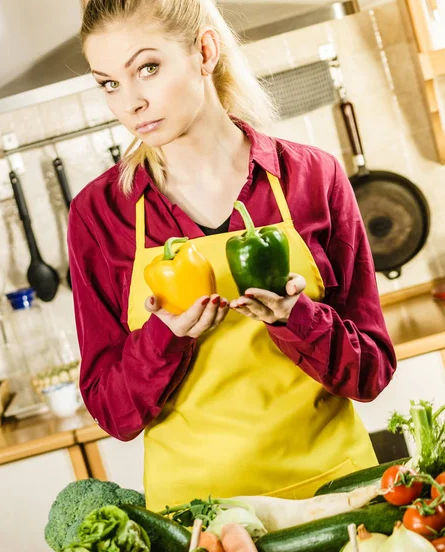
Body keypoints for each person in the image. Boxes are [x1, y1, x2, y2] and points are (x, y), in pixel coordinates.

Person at [69, 0, 397, 512]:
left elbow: (371, 372)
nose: (129, 102)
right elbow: (114, 414)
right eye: (109, 83)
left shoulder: (313, 177)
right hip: (199, 526)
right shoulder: (100, 213)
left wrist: (297, 319)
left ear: (204, 50)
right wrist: (165, 338)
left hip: (338, 501)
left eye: (147, 69)